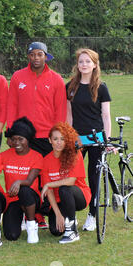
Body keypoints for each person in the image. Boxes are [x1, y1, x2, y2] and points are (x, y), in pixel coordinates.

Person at [7, 41, 67, 228]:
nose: (36, 58)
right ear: (28, 56)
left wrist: (57, 136)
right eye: (32, 54)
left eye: (39, 54)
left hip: (47, 136)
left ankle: (50, 211)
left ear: (46, 56)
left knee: (47, 176)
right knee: (29, 176)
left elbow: (60, 109)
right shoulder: (18, 76)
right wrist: (11, 132)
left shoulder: (56, 79)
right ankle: (34, 216)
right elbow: (12, 106)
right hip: (25, 137)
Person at [66, 48, 112, 232]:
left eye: (87, 61)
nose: (84, 64)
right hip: (77, 140)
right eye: (81, 61)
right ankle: (71, 215)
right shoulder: (70, 86)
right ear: (77, 65)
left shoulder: (101, 87)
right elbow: (69, 116)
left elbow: (106, 116)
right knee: (71, 177)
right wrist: (69, 138)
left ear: (94, 64)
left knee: (94, 179)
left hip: (96, 140)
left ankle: (92, 215)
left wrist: (106, 141)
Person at [41, 122, 91, 244]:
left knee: (64, 188)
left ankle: (72, 231)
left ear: (67, 140)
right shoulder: (46, 161)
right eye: (55, 139)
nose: (59, 142)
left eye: (62, 139)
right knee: (55, 231)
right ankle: (69, 217)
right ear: (50, 140)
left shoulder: (74, 153)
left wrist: (49, 184)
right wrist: (58, 214)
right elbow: (50, 192)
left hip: (79, 195)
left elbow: (71, 181)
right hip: (60, 201)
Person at [1, 117, 43, 243]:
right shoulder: (4, 155)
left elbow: (29, 181)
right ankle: (19, 217)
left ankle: (31, 225)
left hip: (31, 198)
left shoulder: (37, 156)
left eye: (21, 139)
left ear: (28, 139)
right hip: (13, 199)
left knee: (24, 190)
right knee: (11, 235)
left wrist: (18, 182)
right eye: (14, 139)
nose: (17, 142)